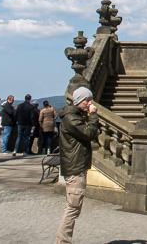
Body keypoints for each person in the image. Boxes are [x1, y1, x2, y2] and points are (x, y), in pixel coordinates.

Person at [55, 87, 100, 244]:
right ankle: (62, 241)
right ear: (80, 100)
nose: (90, 103)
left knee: (74, 207)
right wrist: (93, 116)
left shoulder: (75, 116)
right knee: (73, 208)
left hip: (77, 166)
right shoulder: (71, 118)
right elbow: (89, 133)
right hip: (75, 167)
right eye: (87, 100)